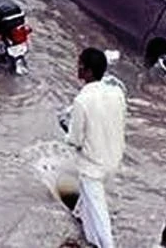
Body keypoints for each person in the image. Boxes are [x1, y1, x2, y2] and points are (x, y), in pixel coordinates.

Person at [59, 48, 127, 248]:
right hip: (113, 159)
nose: (77, 68)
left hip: (93, 167)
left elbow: (75, 140)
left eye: (80, 65)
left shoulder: (82, 101)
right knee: (90, 202)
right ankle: (89, 235)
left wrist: (66, 131)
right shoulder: (116, 93)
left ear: (88, 72)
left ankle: (106, 245)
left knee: (99, 213)